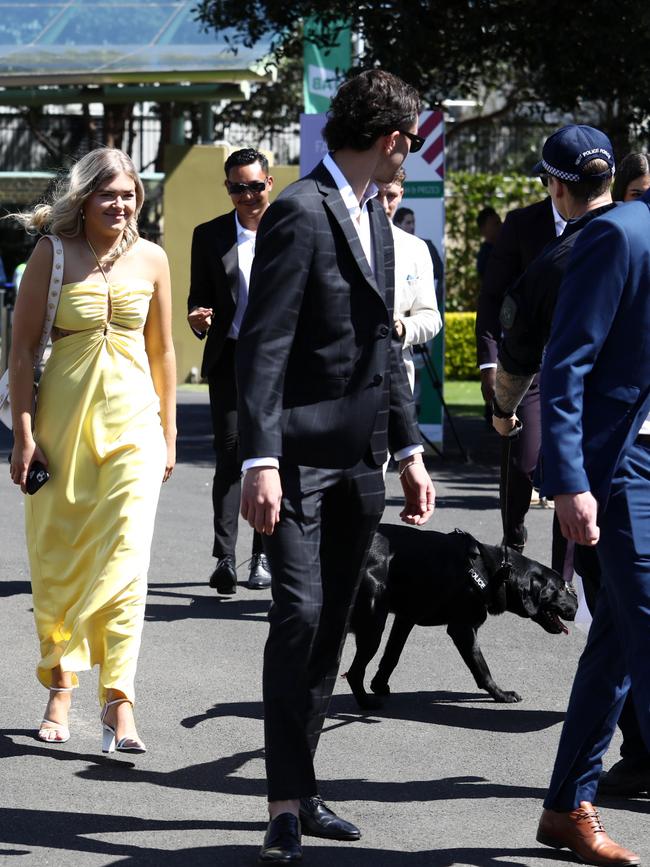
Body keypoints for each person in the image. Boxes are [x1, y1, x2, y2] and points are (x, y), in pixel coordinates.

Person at [236, 69, 435, 863]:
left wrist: (410, 448)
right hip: (294, 462)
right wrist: (261, 458)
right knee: (301, 615)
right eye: (408, 141)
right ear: (389, 140)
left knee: (333, 627)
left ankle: (303, 783)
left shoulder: (377, 219)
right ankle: (283, 804)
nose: (409, 155)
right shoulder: (298, 209)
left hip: (360, 463)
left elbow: (383, 347)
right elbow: (265, 344)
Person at [8, 147, 176, 753]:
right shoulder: (51, 254)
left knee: (127, 565)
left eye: (129, 194)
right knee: (60, 562)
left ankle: (119, 700)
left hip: (134, 427)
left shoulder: (152, 258)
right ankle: (60, 684)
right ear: (84, 198)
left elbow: (163, 353)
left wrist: (169, 433)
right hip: (61, 428)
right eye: (108, 195)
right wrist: (24, 436)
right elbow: (23, 352)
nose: (121, 204)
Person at [529, 172, 650, 867]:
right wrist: (571, 479)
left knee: (617, 643)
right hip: (628, 468)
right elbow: (566, 364)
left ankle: (565, 806)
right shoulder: (618, 231)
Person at [187, 147, 274, 593]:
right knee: (230, 454)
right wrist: (197, 317)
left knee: (269, 457)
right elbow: (197, 296)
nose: (247, 195)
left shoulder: (288, 230)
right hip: (229, 359)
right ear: (228, 188)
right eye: (238, 187)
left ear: (269, 184)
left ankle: (262, 557)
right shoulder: (209, 236)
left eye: (255, 186)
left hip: (278, 363)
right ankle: (225, 558)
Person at [475, 187, 566, 554]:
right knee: (524, 461)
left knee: (573, 476)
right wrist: (489, 362)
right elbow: (493, 295)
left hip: (586, 366)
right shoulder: (522, 224)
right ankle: (513, 538)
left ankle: (565, 576)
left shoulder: (607, 224)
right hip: (529, 365)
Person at [375, 167, 442, 392]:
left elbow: (432, 318)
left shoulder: (416, 248)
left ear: (401, 194)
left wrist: (403, 327)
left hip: (398, 373)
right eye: (377, 195)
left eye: (391, 196)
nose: (384, 205)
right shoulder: (345, 240)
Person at [476, 206, 502, 280]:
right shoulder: (484, 256)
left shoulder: (505, 245)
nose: (501, 226)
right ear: (483, 229)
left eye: (500, 222)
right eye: (496, 224)